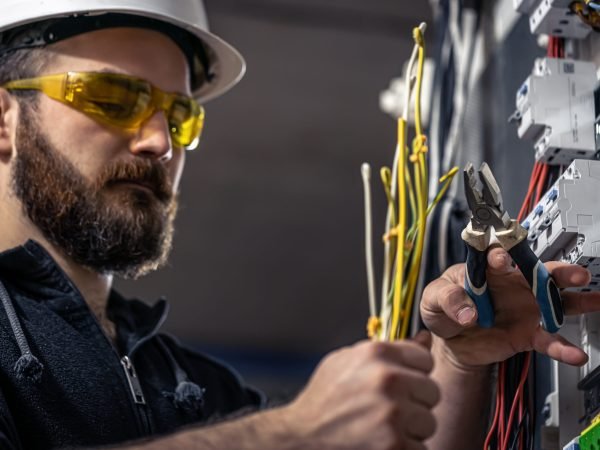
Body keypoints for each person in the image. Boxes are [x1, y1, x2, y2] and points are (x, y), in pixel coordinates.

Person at [0, 1, 599, 449]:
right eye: (111, 97)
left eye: (179, 116)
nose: (159, 141)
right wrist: (292, 432)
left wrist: (461, 358)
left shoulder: (200, 390)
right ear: (5, 118)